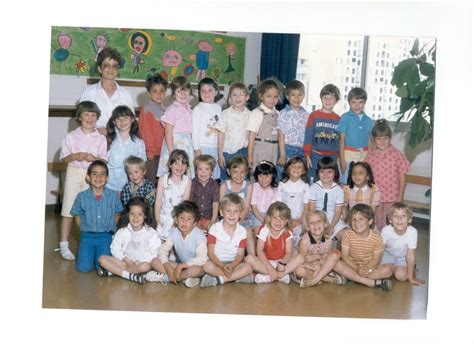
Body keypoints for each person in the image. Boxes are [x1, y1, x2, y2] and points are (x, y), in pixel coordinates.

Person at [58, 101, 107, 261]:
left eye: (93, 115)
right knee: (68, 209)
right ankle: (64, 244)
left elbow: (104, 160)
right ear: (79, 117)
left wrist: (95, 158)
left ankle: (89, 243)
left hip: (92, 176)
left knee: (89, 210)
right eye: (86, 114)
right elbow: (65, 158)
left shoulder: (100, 138)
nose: (90, 118)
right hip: (73, 173)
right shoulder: (71, 136)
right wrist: (76, 156)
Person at [70, 160, 123, 273]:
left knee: (103, 267)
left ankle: (97, 257)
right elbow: (77, 214)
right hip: (87, 237)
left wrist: (111, 228)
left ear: (107, 178)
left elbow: (118, 213)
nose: (98, 177)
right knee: (83, 268)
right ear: (88, 177)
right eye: (94, 174)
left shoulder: (113, 196)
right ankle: (89, 255)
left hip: (105, 237)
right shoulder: (81, 197)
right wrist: (83, 229)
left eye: (102, 174)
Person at [97, 197, 160, 284]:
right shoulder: (123, 230)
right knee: (102, 259)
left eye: (139, 214)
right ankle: (131, 276)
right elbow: (115, 247)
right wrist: (124, 258)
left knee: (146, 266)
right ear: (127, 215)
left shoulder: (151, 233)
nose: (136, 218)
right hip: (123, 262)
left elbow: (154, 252)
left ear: (145, 215)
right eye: (132, 214)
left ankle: (115, 272)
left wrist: (139, 261)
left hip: (139, 264)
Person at [146, 201, 207, 288]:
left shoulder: (199, 235)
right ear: (176, 220)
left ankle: (167, 278)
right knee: (154, 261)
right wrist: (167, 267)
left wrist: (182, 266)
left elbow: (202, 259)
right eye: (181, 218)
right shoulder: (174, 232)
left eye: (189, 219)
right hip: (179, 265)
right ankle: (185, 278)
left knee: (196, 270)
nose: (184, 222)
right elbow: (163, 250)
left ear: (195, 223)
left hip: (195, 265)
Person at [365, 119, 411, 231]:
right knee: (377, 221)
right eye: (379, 139)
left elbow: (402, 177)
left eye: (385, 138)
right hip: (376, 197)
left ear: (390, 138)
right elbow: (366, 177)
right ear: (374, 140)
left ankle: (389, 245)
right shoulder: (371, 156)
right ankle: (379, 244)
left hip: (392, 196)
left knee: (389, 223)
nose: (382, 142)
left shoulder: (397, 155)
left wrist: (400, 196)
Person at [199, 194, 254, 287]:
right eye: (228, 211)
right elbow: (211, 253)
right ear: (221, 212)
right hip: (217, 263)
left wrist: (232, 266)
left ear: (241, 214)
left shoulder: (242, 231)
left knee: (248, 267)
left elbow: (240, 255)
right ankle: (236, 277)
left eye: (236, 211)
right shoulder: (214, 228)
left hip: (234, 263)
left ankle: (219, 279)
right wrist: (222, 266)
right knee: (207, 266)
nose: (232, 215)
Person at [80, 47, 134, 135]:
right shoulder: (89, 92)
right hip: (93, 140)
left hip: (119, 140)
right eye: (106, 65)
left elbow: (131, 122)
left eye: (114, 66)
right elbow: (82, 119)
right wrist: (98, 131)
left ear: (118, 68)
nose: (110, 69)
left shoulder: (125, 94)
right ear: (99, 68)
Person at [339, 204, 393, 290]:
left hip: (368, 269)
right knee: (335, 262)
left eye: (361, 219)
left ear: (370, 221)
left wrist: (365, 268)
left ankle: (351, 277)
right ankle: (370, 282)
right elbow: (344, 256)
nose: (357, 223)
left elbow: (376, 260)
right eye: (354, 219)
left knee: (387, 271)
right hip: (351, 266)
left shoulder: (376, 237)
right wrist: (357, 268)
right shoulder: (347, 234)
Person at [245, 202, 298, 284]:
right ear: (269, 218)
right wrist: (270, 268)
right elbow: (259, 251)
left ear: (286, 221)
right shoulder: (264, 230)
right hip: (267, 262)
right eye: (275, 218)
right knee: (249, 258)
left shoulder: (287, 232)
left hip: (282, 263)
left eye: (282, 219)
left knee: (300, 257)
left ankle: (269, 277)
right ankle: (280, 276)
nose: (278, 222)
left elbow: (288, 252)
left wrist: (282, 264)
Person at [292, 210, 348, 288]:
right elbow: (302, 259)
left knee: (332, 260)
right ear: (307, 227)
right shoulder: (305, 241)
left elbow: (326, 257)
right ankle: (329, 279)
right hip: (307, 265)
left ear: (325, 224)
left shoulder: (328, 240)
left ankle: (314, 279)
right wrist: (314, 267)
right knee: (299, 271)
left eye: (319, 221)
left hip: (320, 264)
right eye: (312, 223)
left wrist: (318, 259)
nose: (316, 225)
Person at [156, 76, 194, 177]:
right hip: (175, 144)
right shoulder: (172, 109)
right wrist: (172, 152)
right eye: (178, 91)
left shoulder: (190, 109)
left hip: (187, 145)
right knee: (173, 173)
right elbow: (168, 132)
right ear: (173, 94)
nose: (182, 94)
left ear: (190, 91)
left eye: (185, 90)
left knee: (185, 174)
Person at [303, 84, 341, 182]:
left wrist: (338, 157)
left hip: (332, 157)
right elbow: (308, 136)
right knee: (313, 181)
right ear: (321, 98)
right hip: (315, 156)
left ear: (336, 101)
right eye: (325, 97)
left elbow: (339, 140)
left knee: (329, 182)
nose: (328, 101)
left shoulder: (338, 119)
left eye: (331, 98)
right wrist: (307, 155)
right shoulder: (314, 116)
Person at [381, 203, 425, 285]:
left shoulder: (412, 232)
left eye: (403, 215)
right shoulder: (386, 230)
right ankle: (393, 268)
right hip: (388, 254)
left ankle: (408, 268)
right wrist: (373, 266)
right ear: (390, 220)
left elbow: (410, 255)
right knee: (384, 272)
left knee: (400, 276)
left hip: (403, 257)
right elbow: (380, 250)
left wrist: (411, 279)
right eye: (395, 216)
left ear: (409, 220)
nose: (399, 219)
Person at [336, 87, 373, 184]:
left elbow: (370, 141)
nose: (357, 105)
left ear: (365, 102)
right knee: (346, 183)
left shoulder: (368, 120)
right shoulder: (345, 118)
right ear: (349, 102)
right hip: (348, 155)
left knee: (361, 183)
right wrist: (342, 160)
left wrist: (369, 157)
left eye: (360, 102)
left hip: (364, 155)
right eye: (353, 102)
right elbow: (341, 140)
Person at [105, 105, 146, 192]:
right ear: (114, 121)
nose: (122, 121)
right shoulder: (109, 140)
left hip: (130, 186)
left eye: (126, 118)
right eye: (119, 119)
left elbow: (141, 167)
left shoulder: (139, 143)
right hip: (109, 185)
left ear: (132, 119)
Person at [216, 81, 251, 180]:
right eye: (234, 95)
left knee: (241, 179)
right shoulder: (225, 113)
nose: (238, 98)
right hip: (227, 152)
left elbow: (252, 136)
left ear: (247, 97)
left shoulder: (250, 115)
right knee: (225, 180)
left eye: (241, 94)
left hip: (243, 152)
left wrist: (250, 155)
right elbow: (221, 134)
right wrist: (220, 154)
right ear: (230, 97)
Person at [138, 73, 168, 186]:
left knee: (161, 183)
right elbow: (145, 132)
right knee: (150, 182)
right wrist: (150, 151)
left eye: (162, 91)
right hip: (152, 155)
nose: (159, 94)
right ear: (149, 93)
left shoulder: (165, 110)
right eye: (155, 91)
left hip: (163, 152)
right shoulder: (146, 109)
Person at [155, 149, 192, 241]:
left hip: (178, 218)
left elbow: (183, 205)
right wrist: (158, 221)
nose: (180, 167)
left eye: (183, 164)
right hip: (163, 217)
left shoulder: (187, 181)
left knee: (175, 240)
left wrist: (176, 221)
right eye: (176, 163)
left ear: (187, 166)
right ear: (170, 165)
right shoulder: (163, 179)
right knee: (160, 242)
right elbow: (158, 202)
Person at [309, 157, 346, 243]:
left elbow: (338, 211)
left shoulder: (338, 190)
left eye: (329, 172)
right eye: (322, 172)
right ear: (318, 172)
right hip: (317, 218)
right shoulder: (314, 187)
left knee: (345, 236)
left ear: (335, 173)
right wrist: (321, 223)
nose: (325, 175)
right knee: (313, 239)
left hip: (334, 219)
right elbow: (312, 209)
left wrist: (331, 226)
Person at [276, 155, 310, 249]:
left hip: (300, 219)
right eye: (293, 166)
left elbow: (306, 207)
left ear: (303, 171)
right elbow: (279, 205)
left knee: (302, 236)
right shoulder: (282, 185)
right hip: (284, 218)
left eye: (299, 167)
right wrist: (287, 220)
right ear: (287, 169)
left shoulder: (305, 187)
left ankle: (298, 252)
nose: (296, 169)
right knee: (283, 234)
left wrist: (299, 220)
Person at [276, 80, 309, 177]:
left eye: (300, 95)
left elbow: (307, 135)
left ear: (303, 96)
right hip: (287, 148)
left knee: (299, 176)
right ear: (287, 96)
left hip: (301, 150)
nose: (296, 98)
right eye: (293, 95)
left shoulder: (306, 114)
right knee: (282, 175)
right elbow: (281, 135)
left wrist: (307, 154)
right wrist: (282, 155)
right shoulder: (283, 113)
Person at [247, 78, 281, 169]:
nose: (272, 99)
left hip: (274, 149)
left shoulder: (278, 114)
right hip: (260, 149)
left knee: (270, 175)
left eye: (275, 97)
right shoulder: (257, 113)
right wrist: (250, 156)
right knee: (258, 174)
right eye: (269, 96)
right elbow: (251, 135)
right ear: (261, 96)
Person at [192, 77, 222, 179]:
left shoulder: (218, 108)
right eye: (203, 91)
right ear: (199, 93)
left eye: (210, 90)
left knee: (213, 174)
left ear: (216, 92)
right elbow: (194, 131)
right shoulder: (198, 108)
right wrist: (197, 150)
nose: (206, 93)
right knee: (203, 173)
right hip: (202, 146)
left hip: (215, 146)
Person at [248, 160, 278, 255]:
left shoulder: (275, 189)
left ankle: (269, 253)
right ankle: (258, 254)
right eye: (260, 176)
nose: (263, 179)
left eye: (267, 176)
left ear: (272, 176)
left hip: (270, 214)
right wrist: (263, 221)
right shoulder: (254, 187)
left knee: (271, 232)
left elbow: (273, 208)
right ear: (256, 176)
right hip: (256, 214)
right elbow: (254, 208)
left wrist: (268, 220)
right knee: (259, 231)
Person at [219, 156, 254, 237]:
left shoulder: (248, 186)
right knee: (225, 233)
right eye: (235, 172)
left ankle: (251, 250)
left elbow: (246, 207)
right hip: (227, 217)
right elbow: (221, 207)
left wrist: (238, 223)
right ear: (228, 171)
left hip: (244, 217)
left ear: (246, 172)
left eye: (242, 172)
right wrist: (229, 222)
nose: (239, 175)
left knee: (248, 234)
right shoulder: (224, 186)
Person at [190, 154, 220, 232]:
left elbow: (215, 204)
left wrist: (213, 221)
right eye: (200, 169)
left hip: (209, 217)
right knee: (192, 229)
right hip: (195, 216)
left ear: (212, 171)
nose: (203, 172)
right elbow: (189, 202)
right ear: (196, 171)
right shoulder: (192, 183)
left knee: (213, 229)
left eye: (207, 169)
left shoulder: (215, 185)